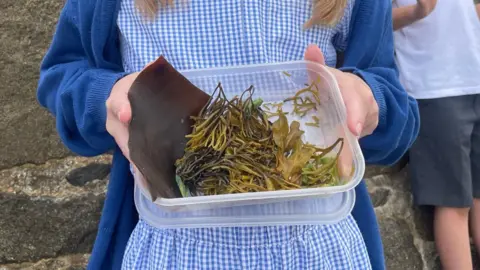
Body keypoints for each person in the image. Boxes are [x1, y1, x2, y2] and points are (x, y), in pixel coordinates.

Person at [37, 0, 419, 269]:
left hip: (318, 249)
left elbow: (394, 104)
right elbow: (63, 76)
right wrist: (105, 96)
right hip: (175, 250)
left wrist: (371, 102)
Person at [392, 1, 480, 269]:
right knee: (453, 203)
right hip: (432, 89)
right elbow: (370, 25)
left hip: (473, 78)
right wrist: (418, 12)